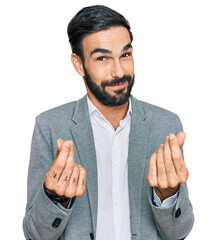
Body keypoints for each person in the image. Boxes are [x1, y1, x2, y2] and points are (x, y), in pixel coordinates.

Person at [23, 5, 194, 240]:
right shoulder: (50, 127)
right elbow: (35, 235)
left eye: (125, 55)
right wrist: (54, 198)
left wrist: (167, 195)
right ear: (78, 64)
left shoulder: (166, 126)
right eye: (102, 58)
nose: (118, 71)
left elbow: (179, 233)